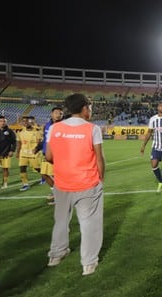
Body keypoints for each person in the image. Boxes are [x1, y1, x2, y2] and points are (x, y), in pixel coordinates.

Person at [46, 93, 105, 276]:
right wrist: (100, 179)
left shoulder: (55, 128)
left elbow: (48, 156)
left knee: (61, 221)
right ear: (85, 108)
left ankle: (56, 255)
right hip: (87, 183)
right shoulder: (92, 128)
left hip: (62, 183)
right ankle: (88, 263)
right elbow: (99, 158)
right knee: (89, 224)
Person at [140, 102, 162, 194]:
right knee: (154, 165)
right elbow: (149, 132)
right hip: (156, 146)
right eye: (161, 105)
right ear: (158, 107)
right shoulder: (153, 119)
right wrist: (143, 146)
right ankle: (160, 182)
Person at [36, 107, 64, 205]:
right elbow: (45, 139)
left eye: (60, 113)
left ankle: (60, 197)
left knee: (56, 176)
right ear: (51, 114)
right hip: (46, 153)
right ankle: (56, 193)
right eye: (56, 113)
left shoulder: (63, 126)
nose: (58, 115)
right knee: (44, 174)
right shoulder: (47, 125)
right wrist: (38, 148)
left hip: (57, 155)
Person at [16, 116, 43, 191]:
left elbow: (39, 142)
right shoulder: (20, 131)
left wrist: (37, 149)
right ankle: (25, 184)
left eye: (27, 121)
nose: (25, 123)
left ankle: (44, 176)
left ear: (31, 122)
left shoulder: (37, 131)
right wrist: (17, 152)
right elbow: (19, 143)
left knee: (37, 168)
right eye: (24, 121)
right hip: (23, 153)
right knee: (22, 168)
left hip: (33, 153)